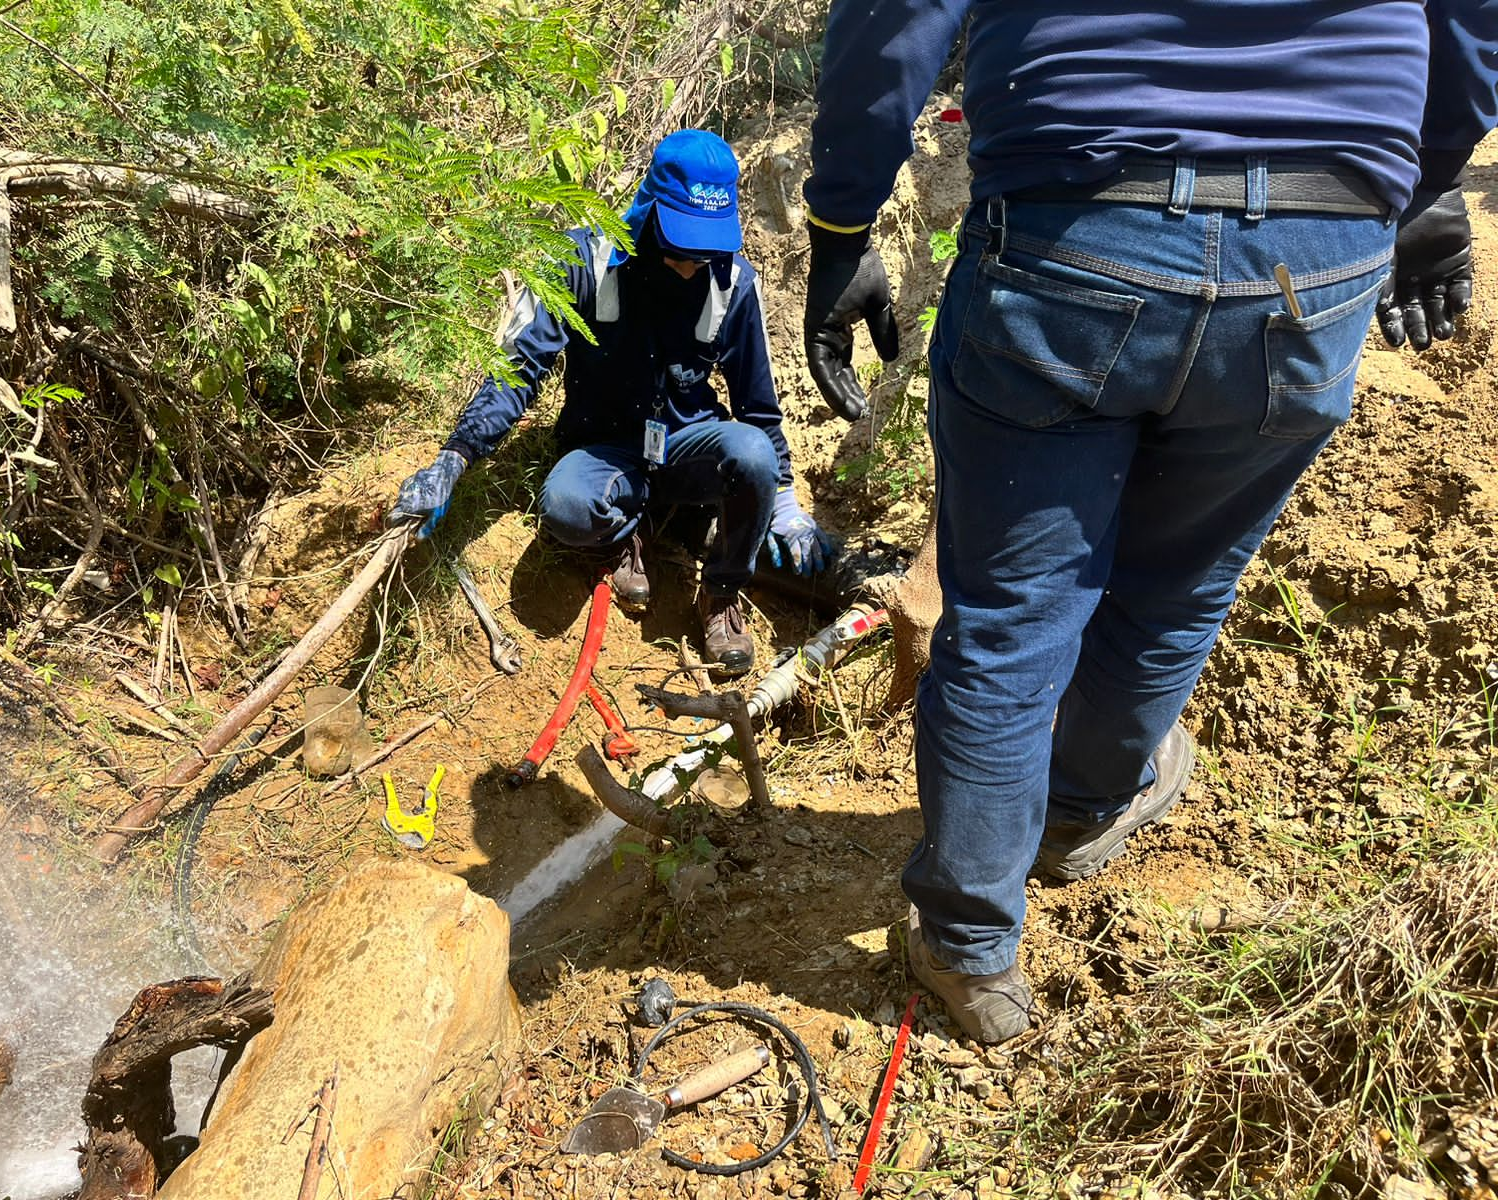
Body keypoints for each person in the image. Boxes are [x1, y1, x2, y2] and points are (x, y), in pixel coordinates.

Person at [801, 3, 1498, 1043]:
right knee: (1182, 579)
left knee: (1009, 612)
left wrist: (841, 222)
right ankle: (1082, 807)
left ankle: (969, 953)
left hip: (1072, 229)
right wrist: (1428, 176)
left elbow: (894, 17)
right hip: (1317, 244)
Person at [391, 129, 833, 676]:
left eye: (706, 248)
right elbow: (517, 368)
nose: (693, 264)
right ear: (650, 206)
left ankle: (719, 594)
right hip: (605, 448)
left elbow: (758, 408)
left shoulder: (733, 282)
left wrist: (784, 504)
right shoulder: (581, 259)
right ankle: (628, 537)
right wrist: (456, 456)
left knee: (754, 457)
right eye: (680, 247)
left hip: (688, 446)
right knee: (569, 509)